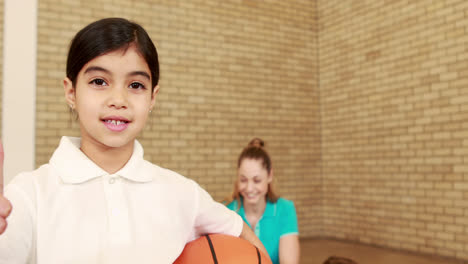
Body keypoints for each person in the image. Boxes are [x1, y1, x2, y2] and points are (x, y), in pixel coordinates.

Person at [0, 17, 268, 264]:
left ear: (153, 97)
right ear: (71, 92)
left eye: (136, 85)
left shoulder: (182, 193)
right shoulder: (28, 194)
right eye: (98, 81)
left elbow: (245, 238)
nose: (118, 99)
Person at [226, 138, 300, 264]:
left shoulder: (285, 209)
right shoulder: (226, 212)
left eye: (257, 180)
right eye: (243, 180)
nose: (249, 188)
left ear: (270, 176)